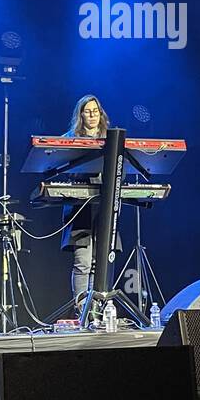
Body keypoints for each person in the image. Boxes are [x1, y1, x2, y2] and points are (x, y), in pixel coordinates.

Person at [59, 94, 114, 309]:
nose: (92, 115)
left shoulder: (110, 137)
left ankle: (98, 310)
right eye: (87, 111)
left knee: (99, 263)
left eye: (95, 111)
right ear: (81, 114)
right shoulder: (71, 137)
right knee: (83, 262)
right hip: (80, 207)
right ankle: (82, 311)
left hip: (104, 205)